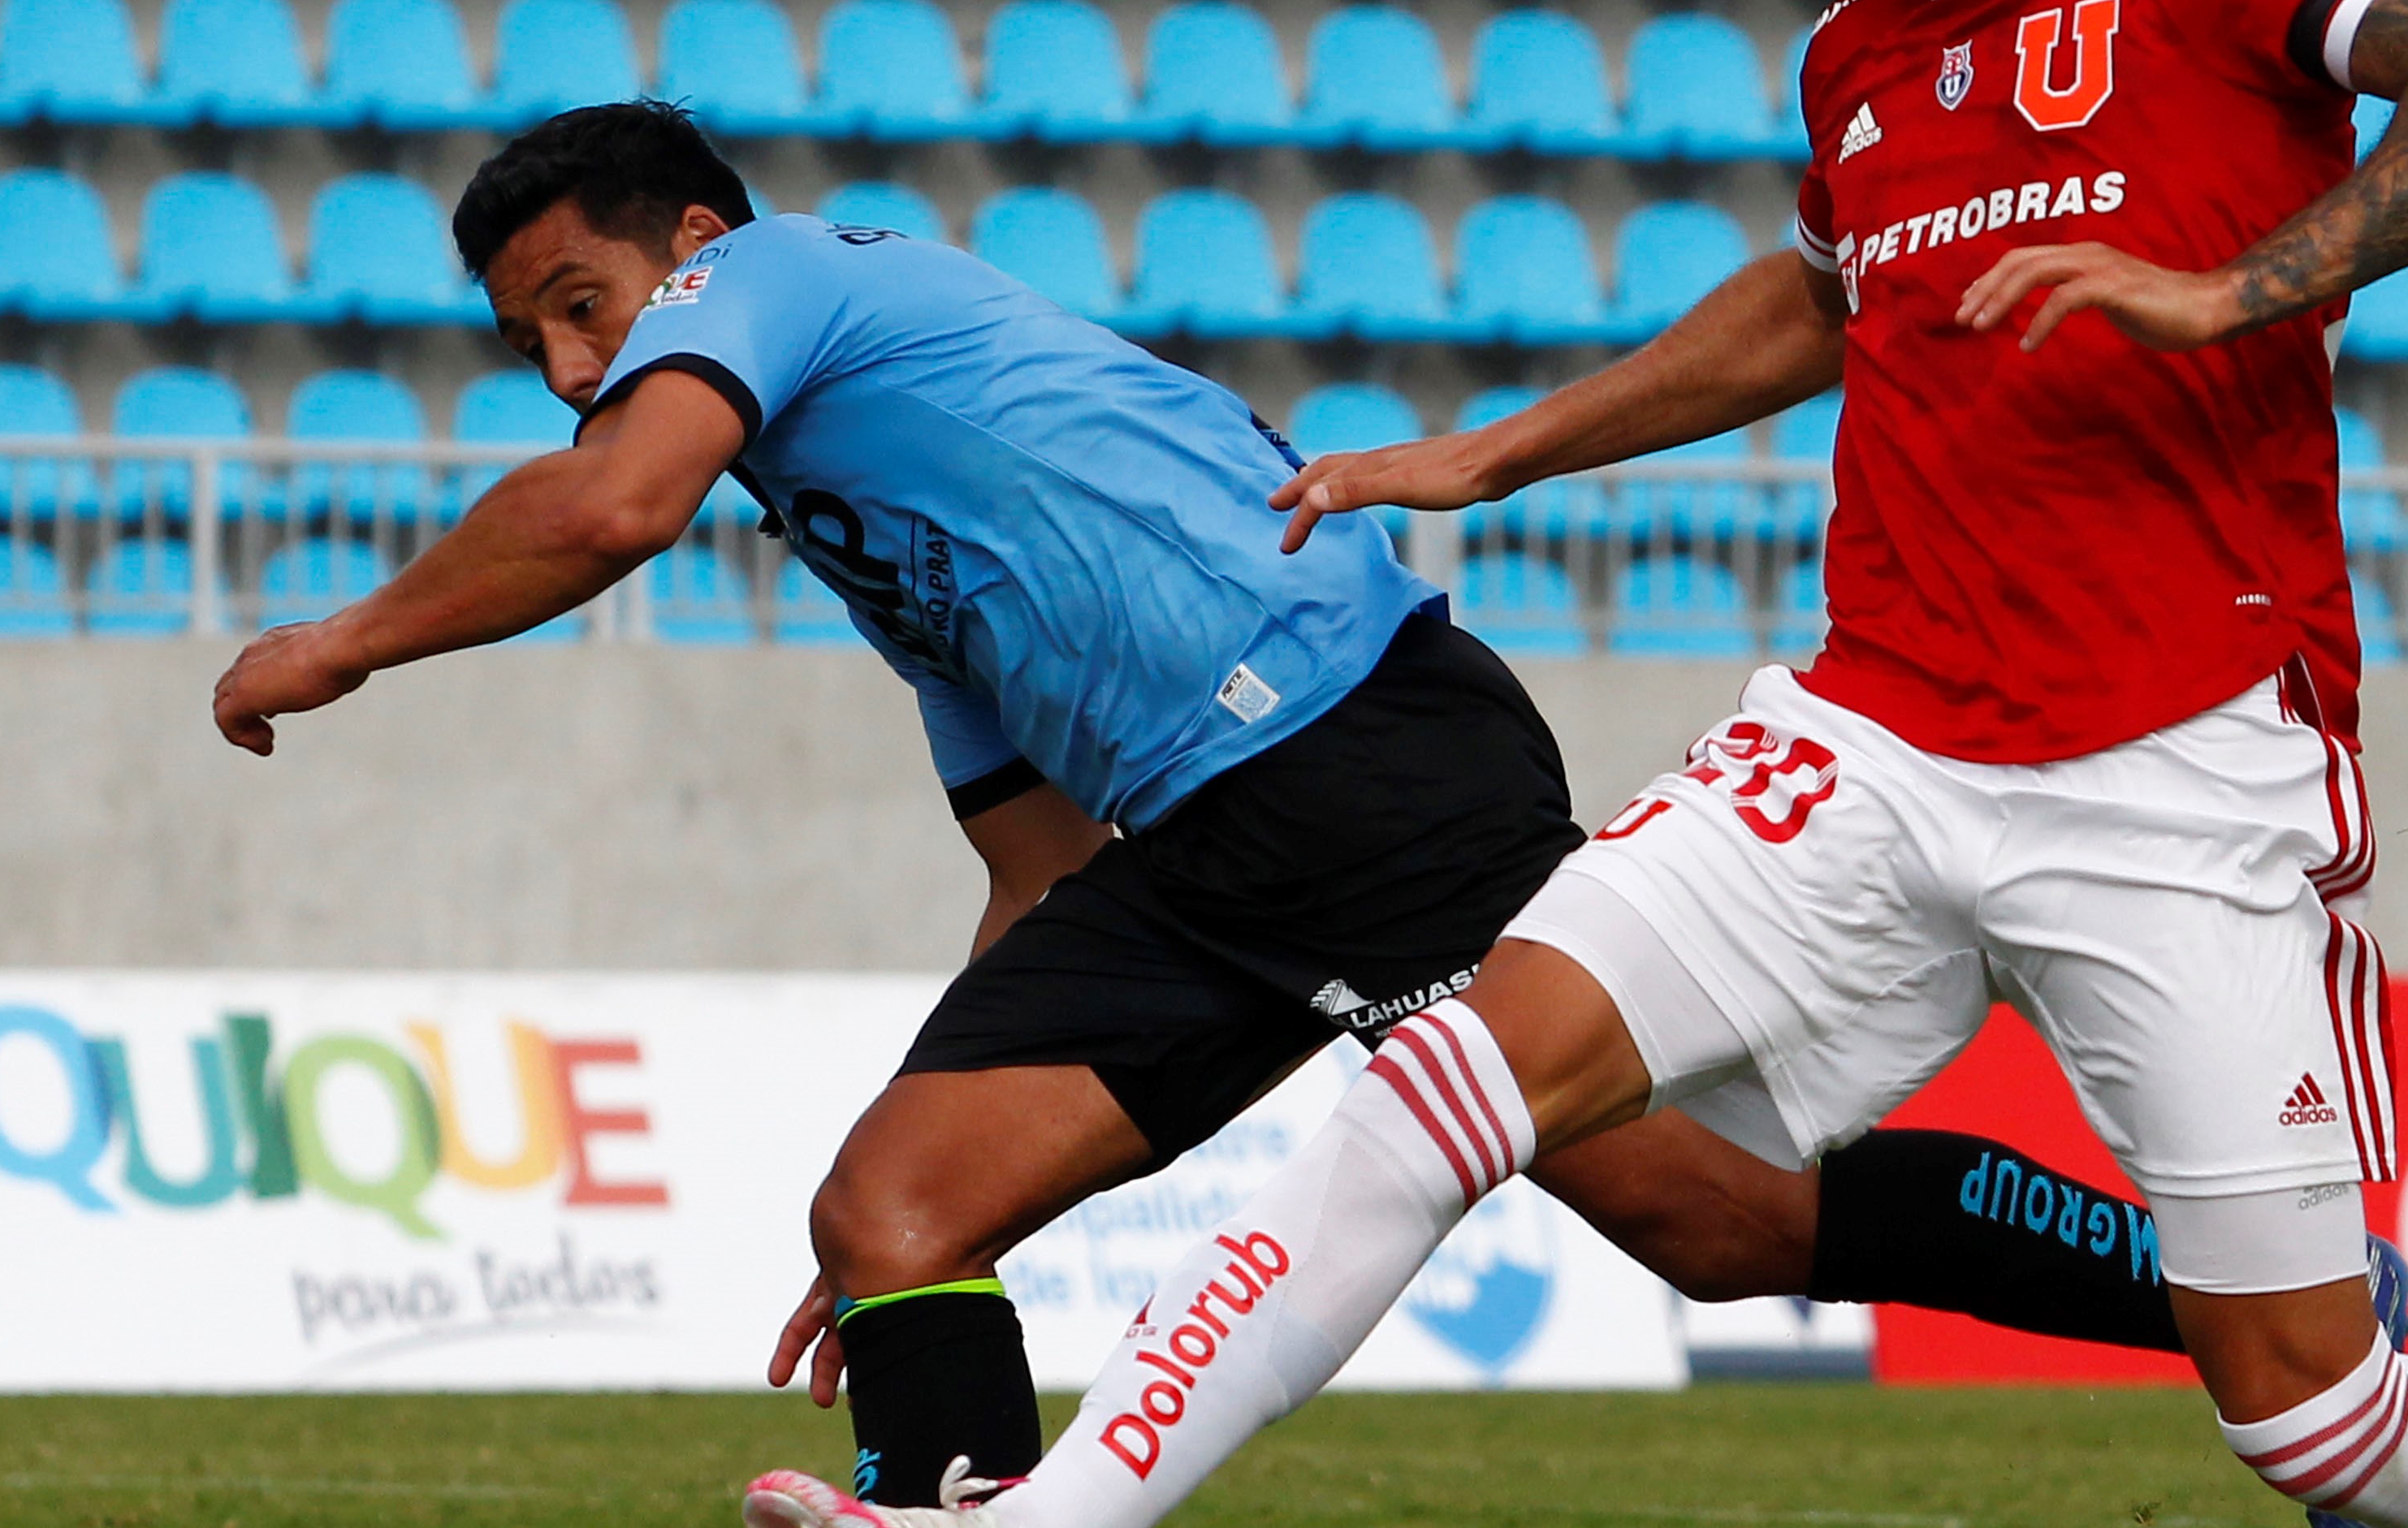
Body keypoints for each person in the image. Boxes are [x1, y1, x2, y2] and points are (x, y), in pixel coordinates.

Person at [793, 0, 2408, 1528]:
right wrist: (1504, 454)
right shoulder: (1861, 49)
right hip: (1874, 737)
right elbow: (1822, 301)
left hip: (2176, 759)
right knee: (1453, 1082)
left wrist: (2238, 288)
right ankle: (1056, 1520)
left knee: (2313, 1424)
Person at [207, 101, 2256, 1513]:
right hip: (1232, 833)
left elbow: (606, 508)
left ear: (695, 251)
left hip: (1358, 748)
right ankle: (957, 1496)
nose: (569, 367)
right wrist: (946, 1190)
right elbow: (1031, 859)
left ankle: (2256, 1299)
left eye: (584, 305)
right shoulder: (866, 521)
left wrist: (344, 641)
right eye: (530, 343)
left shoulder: (798, 284)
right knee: (901, 1212)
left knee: (1731, 1226)